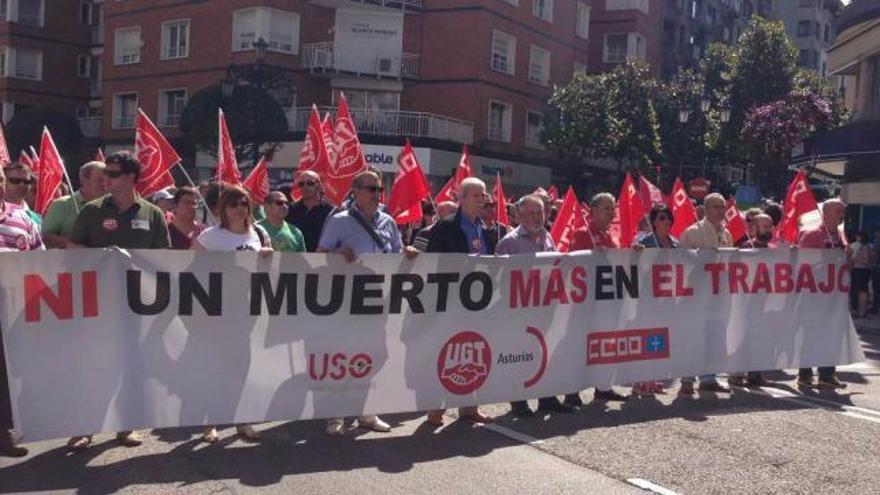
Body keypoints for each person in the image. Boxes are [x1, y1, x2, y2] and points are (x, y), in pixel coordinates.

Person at [66, 151, 170, 450]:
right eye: (105, 174)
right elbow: (73, 247)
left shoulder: (153, 214)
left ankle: (126, 426)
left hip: (136, 304)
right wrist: (103, 257)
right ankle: (86, 426)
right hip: (97, 301)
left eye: (112, 174)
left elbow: (163, 258)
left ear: (130, 178)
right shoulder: (92, 210)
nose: (105, 179)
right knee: (94, 363)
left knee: (131, 365)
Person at [317, 170, 417, 435]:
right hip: (346, 300)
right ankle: (335, 414)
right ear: (356, 191)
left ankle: (366, 411)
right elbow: (318, 256)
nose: (376, 195)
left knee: (376, 354)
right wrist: (338, 254)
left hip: (379, 300)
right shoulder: (339, 221)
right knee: (343, 356)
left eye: (379, 189)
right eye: (371, 189)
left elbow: (395, 254)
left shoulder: (389, 222)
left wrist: (407, 254)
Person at [192, 185, 272, 443]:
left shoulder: (257, 234)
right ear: (223, 209)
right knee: (215, 366)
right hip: (216, 311)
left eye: (244, 204)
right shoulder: (210, 236)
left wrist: (267, 256)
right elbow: (193, 269)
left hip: (247, 311)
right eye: (233, 204)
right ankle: (209, 422)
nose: (239, 209)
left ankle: (242, 419)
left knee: (242, 366)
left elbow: (266, 271)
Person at [424, 177, 496, 426]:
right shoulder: (445, 227)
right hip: (452, 301)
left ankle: (469, 407)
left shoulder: (489, 229)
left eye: (483, 195)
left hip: (479, 302)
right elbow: (431, 261)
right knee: (447, 352)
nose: (481, 199)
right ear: (462, 198)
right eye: (476, 195)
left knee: (475, 352)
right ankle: (435, 408)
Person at [496, 195, 575, 416]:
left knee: (544, 352)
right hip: (518, 311)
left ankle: (547, 397)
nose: (537, 217)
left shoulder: (547, 237)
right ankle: (518, 401)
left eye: (540, 212)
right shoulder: (508, 242)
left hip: (544, 308)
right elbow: (499, 280)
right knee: (519, 354)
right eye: (531, 213)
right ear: (519, 215)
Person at [567, 192, 630, 404]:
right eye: (606, 208)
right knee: (580, 345)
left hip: (607, 301)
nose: (612, 212)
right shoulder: (582, 233)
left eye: (613, 208)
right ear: (593, 211)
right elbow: (573, 264)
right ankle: (572, 391)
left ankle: (603, 387)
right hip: (585, 303)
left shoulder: (612, 235)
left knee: (605, 344)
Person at [0, 165, 44, 457]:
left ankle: (4, 435)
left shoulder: (22, 219)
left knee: (6, 376)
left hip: (12, 312)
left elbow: (39, 261)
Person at [678, 192, 734, 395]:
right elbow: (681, 260)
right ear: (706, 209)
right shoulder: (693, 232)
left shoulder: (727, 234)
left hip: (719, 294)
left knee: (715, 336)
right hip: (696, 294)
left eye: (722, 206)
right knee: (694, 336)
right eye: (716, 206)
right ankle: (686, 379)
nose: (721, 210)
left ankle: (708, 377)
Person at [796, 198, 849, 389]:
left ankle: (827, 374)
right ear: (825, 214)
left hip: (834, 297)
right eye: (838, 211)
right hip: (813, 295)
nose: (842, 215)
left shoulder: (841, 235)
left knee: (831, 335)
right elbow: (804, 265)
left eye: (842, 211)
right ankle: (805, 374)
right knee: (811, 335)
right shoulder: (811, 235)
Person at [631, 203, 679, 396]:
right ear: (653, 222)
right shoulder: (646, 242)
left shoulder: (675, 244)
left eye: (668, 217)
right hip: (647, 298)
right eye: (661, 218)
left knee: (660, 340)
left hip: (666, 298)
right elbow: (632, 265)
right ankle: (637, 382)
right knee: (645, 337)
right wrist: (634, 252)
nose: (666, 221)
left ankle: (653, 379)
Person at [731, 212, 776, 387]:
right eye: (765, 226)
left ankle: (756, 373)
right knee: (743, 338)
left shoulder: (774, 250)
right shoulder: (745, 247)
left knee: (760, 338)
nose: (768, 229)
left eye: (770, 225)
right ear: (754, 228)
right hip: (746, 303)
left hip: (765, 302)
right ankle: (736, 374)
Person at [42, 161, 107, 248]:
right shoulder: (62, 205)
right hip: (68, 260)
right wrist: (74, 243)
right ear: (83, 180)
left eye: (107, 179)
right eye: (100, 180)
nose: (104, 184)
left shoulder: (112, 205)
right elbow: (44, 237)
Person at [287, 170, 334, 252]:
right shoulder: (290, 210)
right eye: (301, 184)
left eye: (310, 183)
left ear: (319, 185)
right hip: (294, 258)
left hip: (322, 259)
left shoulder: (330, 211)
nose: (305, 187)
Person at [2, 162, 41, 227]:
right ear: (3, 182)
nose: (22, 185)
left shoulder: (37, 220)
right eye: (15, 180)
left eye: (26, 182)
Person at [850, 231, 872, 319]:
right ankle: (863, 311)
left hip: (859, 270)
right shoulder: (870, 246)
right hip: (866, 271)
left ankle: (858, 311)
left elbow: (864, 260)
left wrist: (855, 260)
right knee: (863, 291)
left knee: (857, 291)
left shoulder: (859, 246)